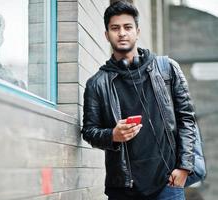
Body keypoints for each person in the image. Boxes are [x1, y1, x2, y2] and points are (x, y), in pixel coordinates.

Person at [81, 1, 196, 200]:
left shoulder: (167, 69)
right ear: (107, 35)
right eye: (115, 28)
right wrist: (112, 135)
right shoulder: (96, 83)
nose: (122, 33)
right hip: (123, 189)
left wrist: (184, 167)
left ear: (137, 31)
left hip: (168, 183)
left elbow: (187, 119)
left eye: (127, 27)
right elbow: (89, 130)